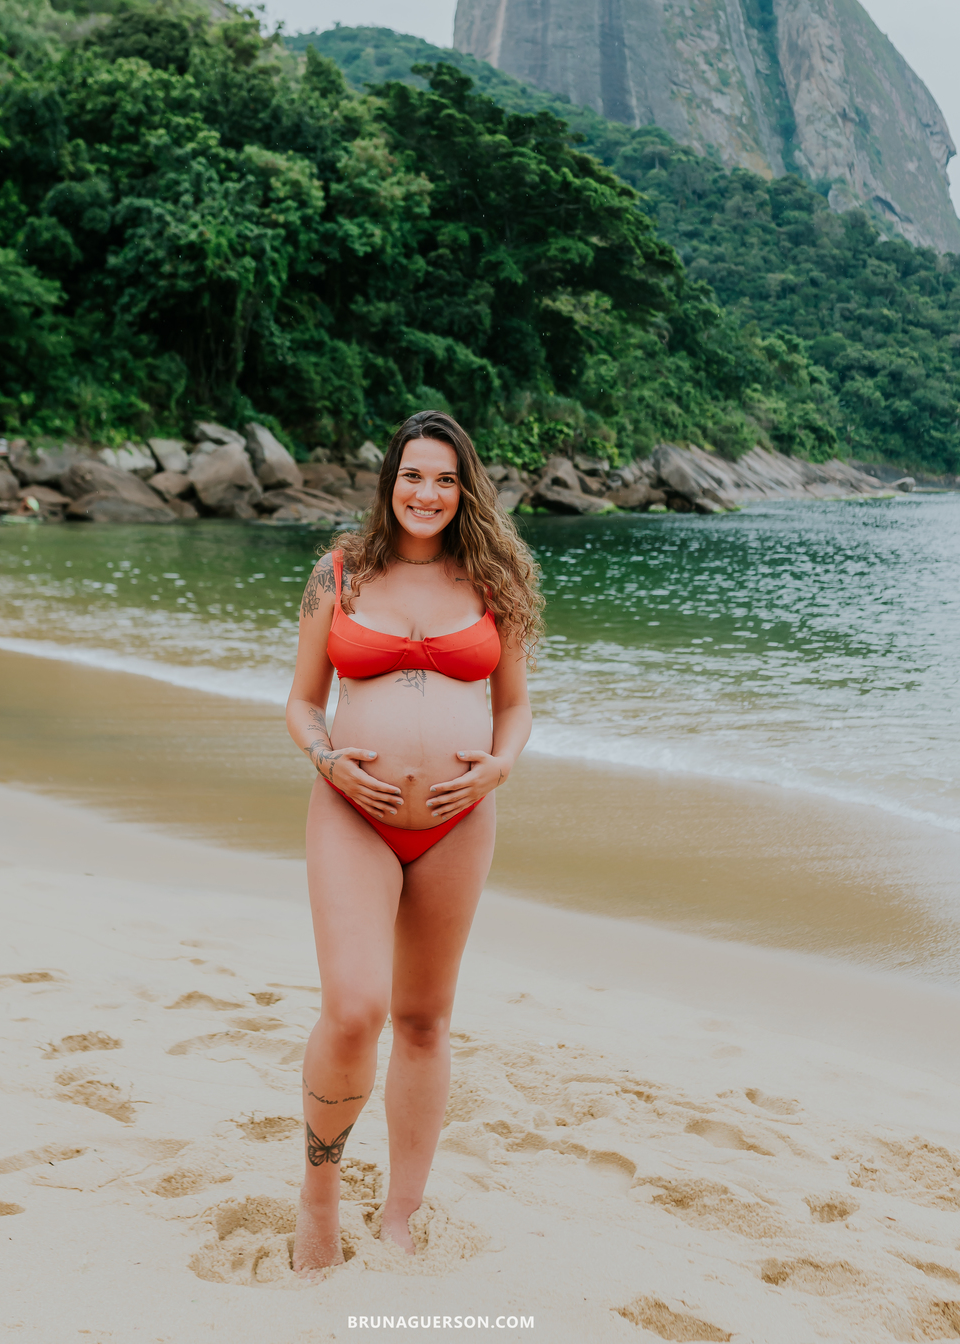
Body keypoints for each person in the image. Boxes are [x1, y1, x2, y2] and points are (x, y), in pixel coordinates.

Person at [285, 410, 542, 1273]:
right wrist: (328, 758)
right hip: (351, 809)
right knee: (355, 1009)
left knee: (425, 1019)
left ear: (465, 490)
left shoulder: (495, 580)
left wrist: (500, 765)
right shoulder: (340, 573)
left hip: (460, 820)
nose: (426, 493)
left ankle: (401, 1211)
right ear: (389, 482)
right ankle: (320, 1197)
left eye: (444, 479)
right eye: (412, 476)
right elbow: (302, 701)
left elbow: (515, 705)